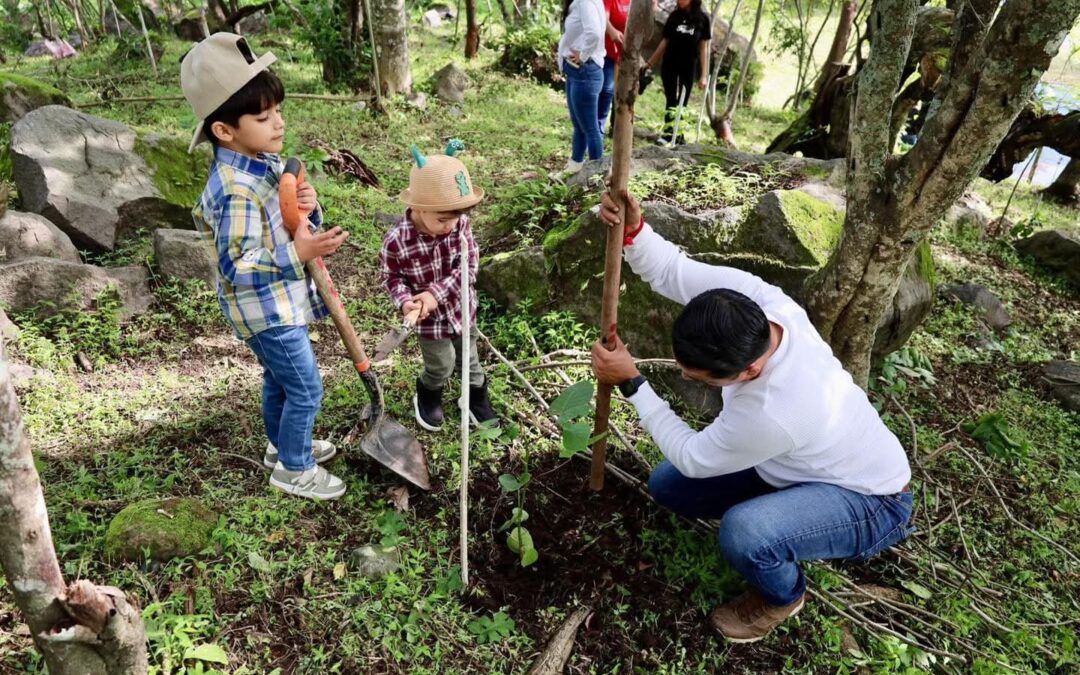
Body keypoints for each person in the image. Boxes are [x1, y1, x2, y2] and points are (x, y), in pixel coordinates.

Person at [590, 189, 914, 643]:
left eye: (700, 378)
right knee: (667, 487)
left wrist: (633, 384)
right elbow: (672, 271)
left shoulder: (775, 411)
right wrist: (633, 232)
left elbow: (694, 457)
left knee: (746, 533)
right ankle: (786, 515)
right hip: (794, 463)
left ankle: (783, 596)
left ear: (749, 371)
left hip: (872, 500)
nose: (686, 377)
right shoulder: (753, 304)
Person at [182, 33, 350, 501]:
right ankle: (294, 470)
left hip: (278, 301)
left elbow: (287, 219)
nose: (278, 123)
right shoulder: (235, 189)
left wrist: (307, 210)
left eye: (277, 110)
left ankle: (282, 446)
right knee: (307, 388)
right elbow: (236, 264)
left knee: (280, 379)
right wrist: (299, 253)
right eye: (263, 116)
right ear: (224, 130)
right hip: (264, 310)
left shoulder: (264, 162)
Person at [379, 141, 499, 432]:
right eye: (443, 218)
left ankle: (474, 398)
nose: (450, 225)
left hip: (461, 310)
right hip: (429, 323)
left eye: (456, 216)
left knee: (470, 359)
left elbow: (469, 267)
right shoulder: (398, 240)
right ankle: (427, 392)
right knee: (441, 365)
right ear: (417, 207)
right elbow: (392, 277)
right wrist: (406, 301)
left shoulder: (460, 226)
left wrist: (435, 294)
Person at [644, 0, 711, 146]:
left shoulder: (702, 20)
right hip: (669, 64)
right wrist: (650, 63)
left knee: (683, 102)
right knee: (671, 100)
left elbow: (703, 48)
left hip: (688, 67)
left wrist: (704, 75)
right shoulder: (674, 16)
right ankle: (668, 134)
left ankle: (678, 135)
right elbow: (665, 41)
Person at [559, 0, 608, 173]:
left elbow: (594, 33)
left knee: (590, 129)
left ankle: (597, 176)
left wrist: (585, 54)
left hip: (585, 72)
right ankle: (575, 166)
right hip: (577, 72)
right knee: (580, 126)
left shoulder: (585, 1)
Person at [598, 0, 631, 136]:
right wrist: (612, 31)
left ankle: (616, 128)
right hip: (608, 52)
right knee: (606, 90)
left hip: (626, 55)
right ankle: (598, 125)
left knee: (623, 94)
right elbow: (603, 18)